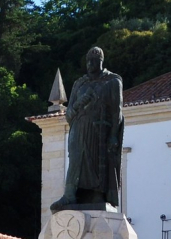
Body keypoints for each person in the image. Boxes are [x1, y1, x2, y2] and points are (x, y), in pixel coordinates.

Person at [50, 46, 124, 211]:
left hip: (100, 129)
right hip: (78, 128)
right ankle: (69, 194)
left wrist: (113, 135)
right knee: (76, 160)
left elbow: (116, 111)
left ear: (101, 62)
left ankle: (98, 195)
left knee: (97, 162)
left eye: (94, 61)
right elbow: (69, 114)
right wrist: (80, 102)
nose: (90, 64)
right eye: (88, 61)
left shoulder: (112, 81)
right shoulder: (79, 83)